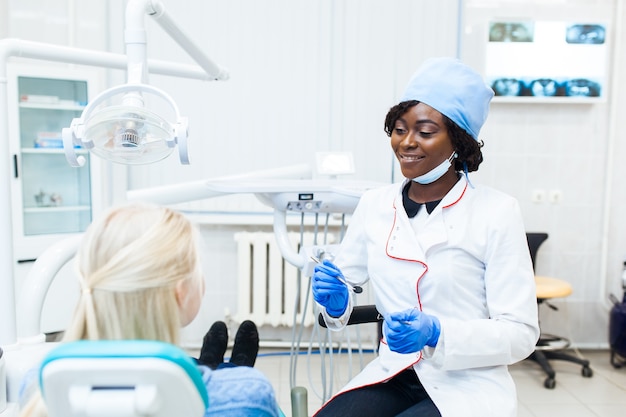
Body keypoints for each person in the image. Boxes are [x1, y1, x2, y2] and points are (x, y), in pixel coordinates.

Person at [312, 57, 540, 417]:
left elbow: (521, 333)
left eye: (425, 131)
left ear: (459, 143)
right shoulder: (375, 205)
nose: (407, 142)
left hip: (469, 380)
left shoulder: (497, 212)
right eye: (399, 129)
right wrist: (335, 305)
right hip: (396, 373)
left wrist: (438, 332)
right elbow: (337, 305)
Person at [18, 203, 281, 417]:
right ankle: (226, 367)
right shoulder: (247, 396)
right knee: (232, 374)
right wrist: (241, 379)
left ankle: (208, 361)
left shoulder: (38, 387)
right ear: (180, 291)